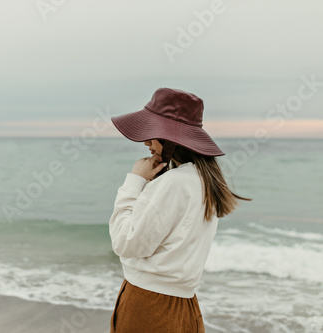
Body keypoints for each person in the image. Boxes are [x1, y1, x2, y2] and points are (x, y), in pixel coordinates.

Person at [108, 87, 251, 332]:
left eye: (152, 133)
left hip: (148, 305)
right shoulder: (205, 180)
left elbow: (126, 243)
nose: (146, 141)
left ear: (171, 139)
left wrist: (134, 182)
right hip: (186, 306)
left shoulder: (173, 183)